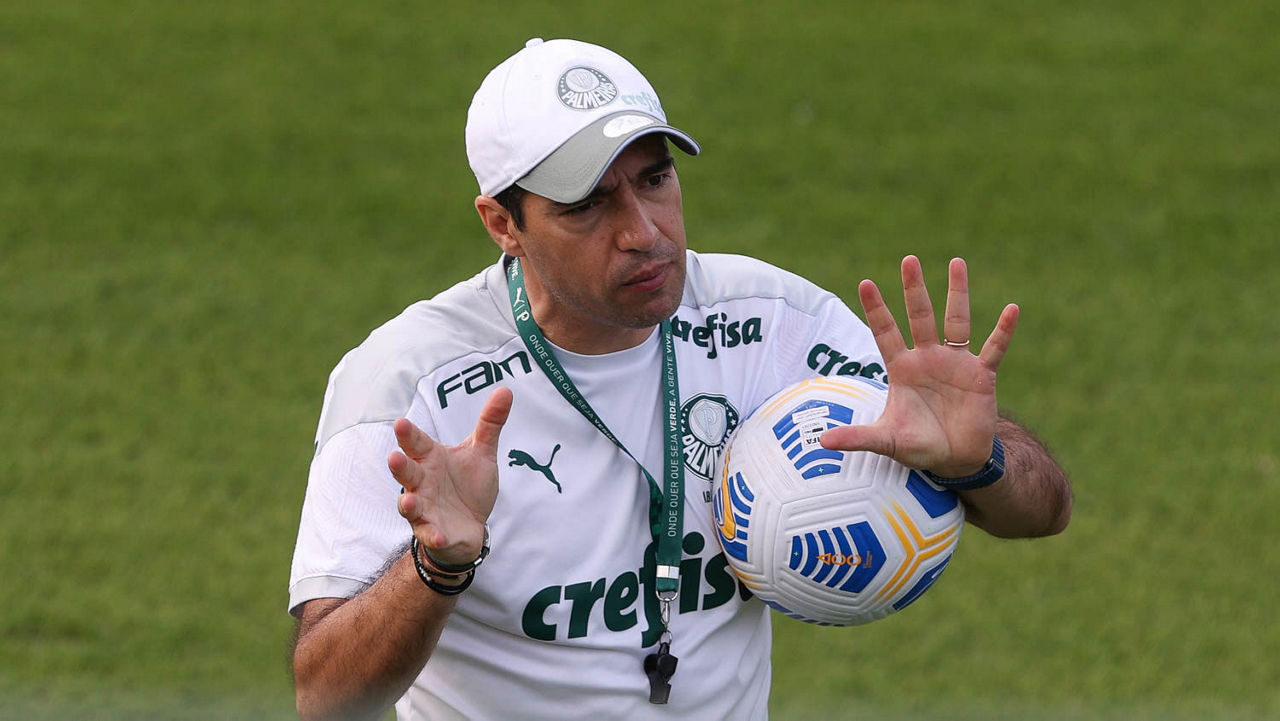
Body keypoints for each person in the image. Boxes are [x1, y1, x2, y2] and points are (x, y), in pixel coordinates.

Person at [288, 37, 1072, 720]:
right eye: (589, 205)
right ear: (503, 224)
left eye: (655, 179)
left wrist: (980, 462)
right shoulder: (407, 389)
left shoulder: (774, 324)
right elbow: (325, 697)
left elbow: (1043, 512)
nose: (644, 231)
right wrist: (437, 565)